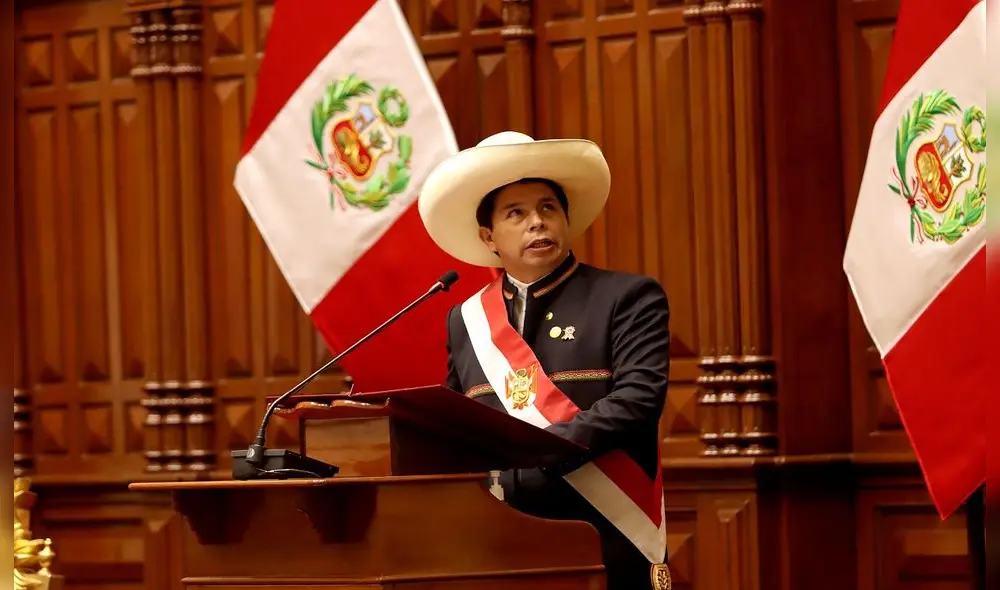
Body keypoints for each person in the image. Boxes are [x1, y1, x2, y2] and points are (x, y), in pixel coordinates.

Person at [418, 131, 673, 590]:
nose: (537, 222)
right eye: (516, 213)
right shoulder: (466, 320)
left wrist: (544, 450)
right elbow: (458, 425)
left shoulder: (626, 297)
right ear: (488, 236)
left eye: (548, 208)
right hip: (501, 541)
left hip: (604, 533)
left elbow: (639, 398)